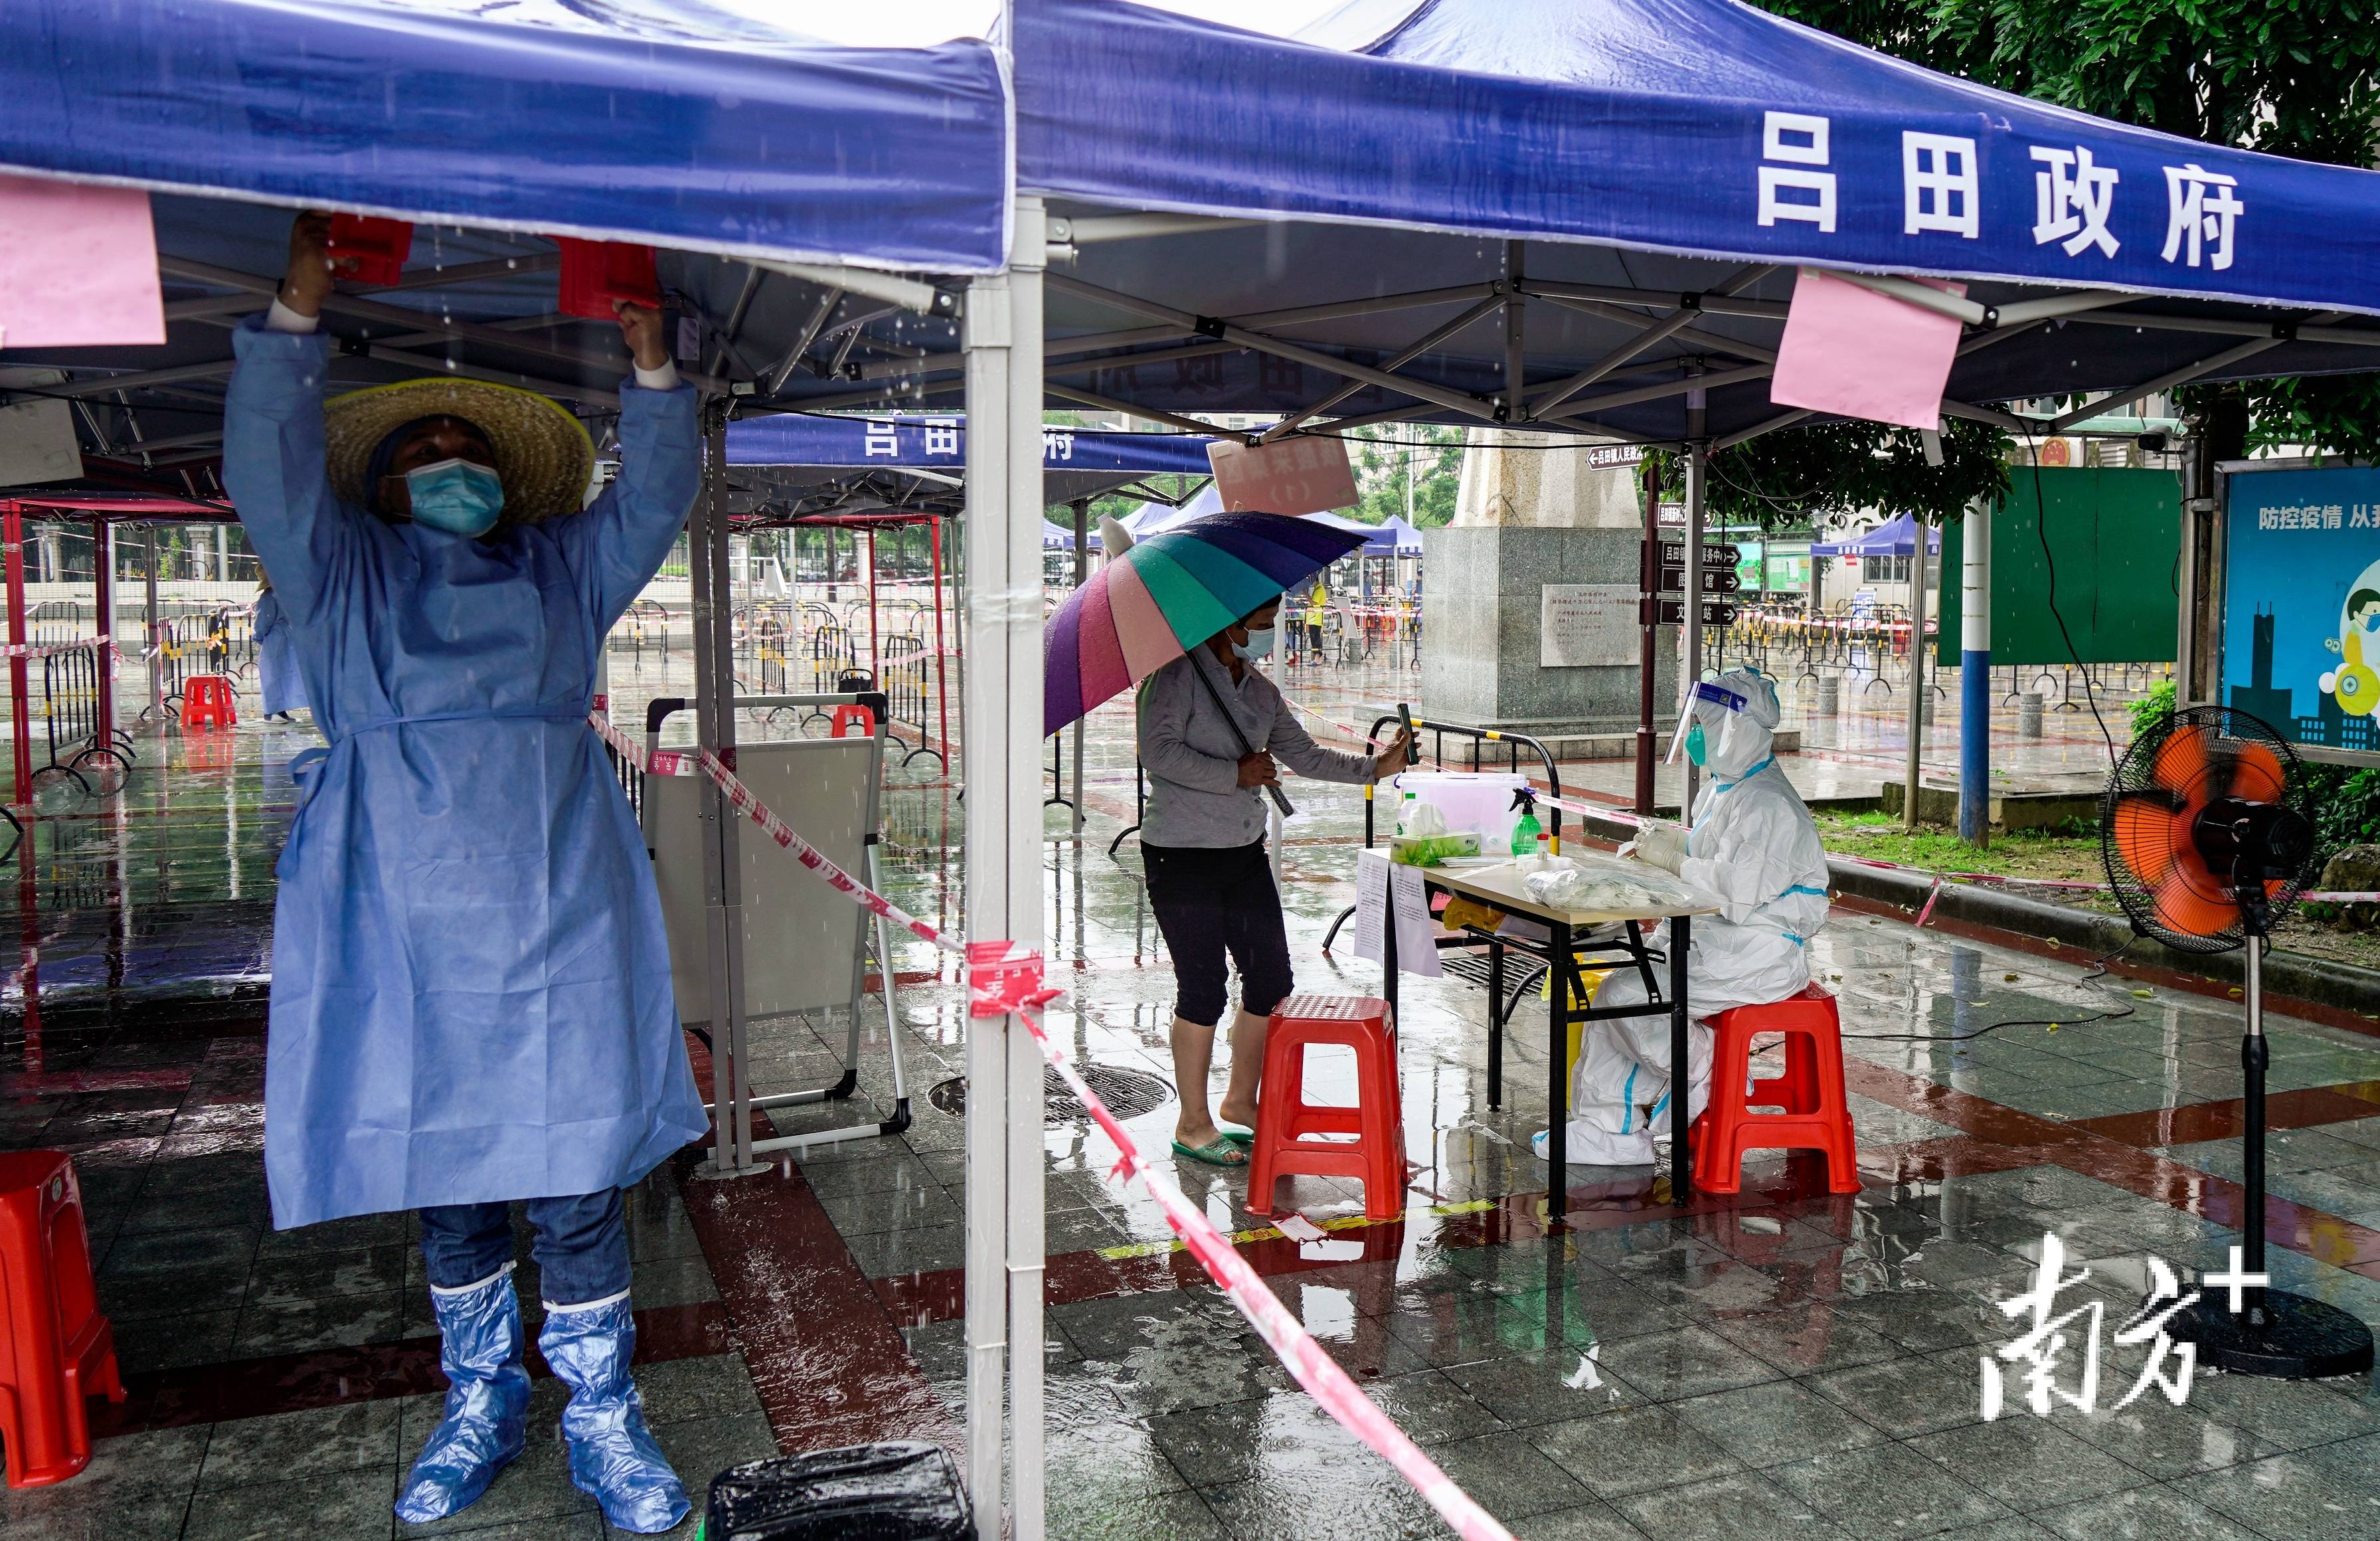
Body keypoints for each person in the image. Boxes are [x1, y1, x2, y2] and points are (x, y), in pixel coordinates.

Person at [224, 211, 707, 1533]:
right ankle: (480, 1400)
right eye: (422, 449)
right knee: (446, 1175)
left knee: (574, 1173)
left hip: (557, 903)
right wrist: (294, 317)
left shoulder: (562, 570)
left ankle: (607, 1417)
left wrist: (652, 376)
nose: (448, 457)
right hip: (398, 917)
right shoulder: (339, 579)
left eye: (469, 448)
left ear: (512, 485)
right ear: (377, 489)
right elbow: (268, 476)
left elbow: (656, 498)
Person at [1136, 595, 1410, 1164]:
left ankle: (1241, 1101)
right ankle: (1192, 1123)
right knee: (1204, 986)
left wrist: (1375, 768)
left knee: (1270, 979)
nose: (1266, 634)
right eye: (1259, 623)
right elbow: (1157, 753)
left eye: (1270, 623)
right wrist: (1233, 773)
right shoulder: (1175, 677)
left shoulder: (1260, 692)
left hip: (1242, 851)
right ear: (1225, 622)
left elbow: (1304, 755)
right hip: (1181, 854)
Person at [1535, 666, 1829, 1166]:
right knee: (1616, 997)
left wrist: (1674, 860)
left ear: (1736, 731)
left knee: (1628, 997)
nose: (1695, 737)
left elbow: (1737, 891)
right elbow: (1712, 854)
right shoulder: (1727, 789)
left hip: (1758, 953)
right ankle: (1608, 1130)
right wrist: (1672, 844)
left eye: (1704, 726)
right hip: (1721, 942)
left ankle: (1710, 1067)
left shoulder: (1767, 804)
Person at [252, 571, 305, 721]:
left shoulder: (268, 597)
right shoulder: (287, 595)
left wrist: (257, 637)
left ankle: (273, 711)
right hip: (289, 635)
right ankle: (281, 710)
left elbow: (263, 621)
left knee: (271, 674)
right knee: (285, 673)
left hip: (274, 638)